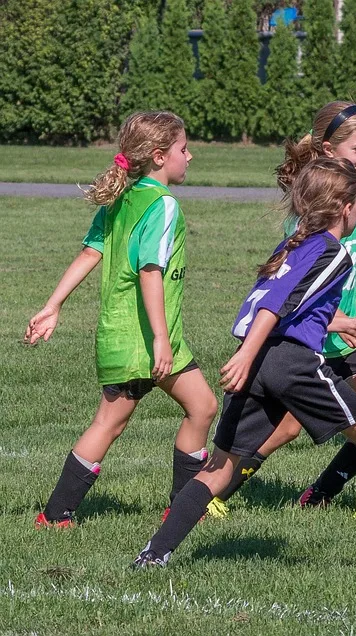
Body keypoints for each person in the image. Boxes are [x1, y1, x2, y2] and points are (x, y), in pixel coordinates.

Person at [132, 157, 356, 572]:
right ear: (345, 208)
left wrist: (344, 322)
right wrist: (246, 355)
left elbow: (283, 308)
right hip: (289, 362)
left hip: (265, 358)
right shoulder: (333, 252)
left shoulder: (296, 245)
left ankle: (154, 553)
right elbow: (274, 305)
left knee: (219, 466)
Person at [204, 103, 356, 522]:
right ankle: (220, 490)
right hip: (308, 334)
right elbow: (288, 297)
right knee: (286, 427)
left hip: (345, 326)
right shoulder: (307, 217)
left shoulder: (354, 196)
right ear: (329, 150)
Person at [27, 111, 219, 528]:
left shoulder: (122, 199)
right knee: (202, 407)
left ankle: (56, 514)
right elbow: (151, 272)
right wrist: (162, 340)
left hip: (118, 336)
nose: (191, 156)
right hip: (147, 341)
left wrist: (53, 305)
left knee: (112, 422)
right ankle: (182, 509)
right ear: (158, 156)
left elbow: (89, 254)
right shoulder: (163, 205)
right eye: (183, 149)